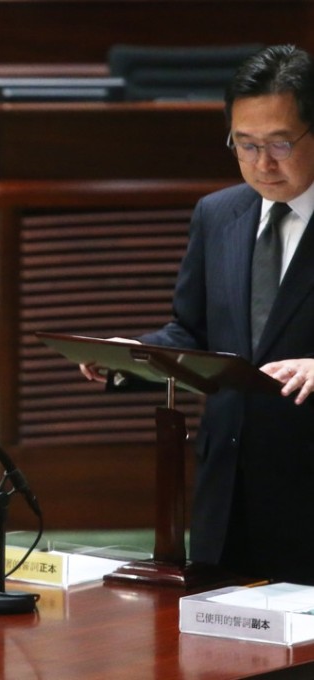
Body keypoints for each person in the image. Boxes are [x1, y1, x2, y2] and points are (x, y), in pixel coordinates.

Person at [81, 44, 314, 585]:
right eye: (245, 144)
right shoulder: (218, 214)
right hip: (225, 489)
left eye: (280, 143)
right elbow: (192, 332)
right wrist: (131, 356)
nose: (263, 163)